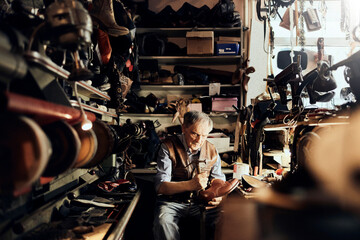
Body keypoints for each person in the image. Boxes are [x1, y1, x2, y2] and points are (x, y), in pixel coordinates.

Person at [153, 111, 226, 240]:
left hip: (200, 203)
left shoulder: (212, 150)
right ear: (184, 128)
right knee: (163, 222)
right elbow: (160, 187)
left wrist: (218, 196)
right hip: (172, 202)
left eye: (204, 136)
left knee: (225, 220)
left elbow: (218, 179)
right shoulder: (168, 146)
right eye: (195, 134)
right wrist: (190, 185)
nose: (199, 140)